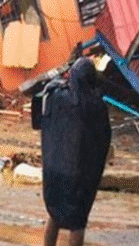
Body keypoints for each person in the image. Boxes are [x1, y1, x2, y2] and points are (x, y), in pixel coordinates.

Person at [39, 58, 112, 246]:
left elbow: (41, 122)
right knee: (77, 222)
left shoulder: (56, 97)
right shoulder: (95, 106)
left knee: (55, 213)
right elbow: (102, 139)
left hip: (54, 169)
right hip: (79, 174)